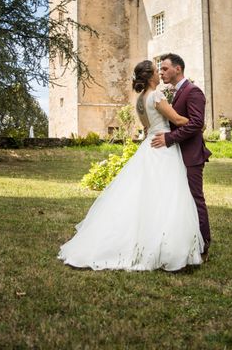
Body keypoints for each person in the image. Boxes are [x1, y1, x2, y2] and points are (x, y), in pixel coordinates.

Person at [58, 60, 204, 271]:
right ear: (150, 77)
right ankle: (165, 245)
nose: (159, 74)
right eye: (157, 71)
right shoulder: (156, 95)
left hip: (148, 145)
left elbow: (148, 127)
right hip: (162, 148)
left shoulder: (139, 100)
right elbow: (178, 120)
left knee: (144, 196)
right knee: (168, 196)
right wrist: (198, 123)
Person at [151, 53, 212, 259]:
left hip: (191, 155)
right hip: (177, 156)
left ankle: (204, 245)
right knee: (182, 201)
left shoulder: (193, 91)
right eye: (160, 69)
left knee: (195, 200)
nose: (161, 72)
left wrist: (169, 138)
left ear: (178, 69)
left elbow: (196, 124)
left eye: (165, 68)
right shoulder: (176, 92)